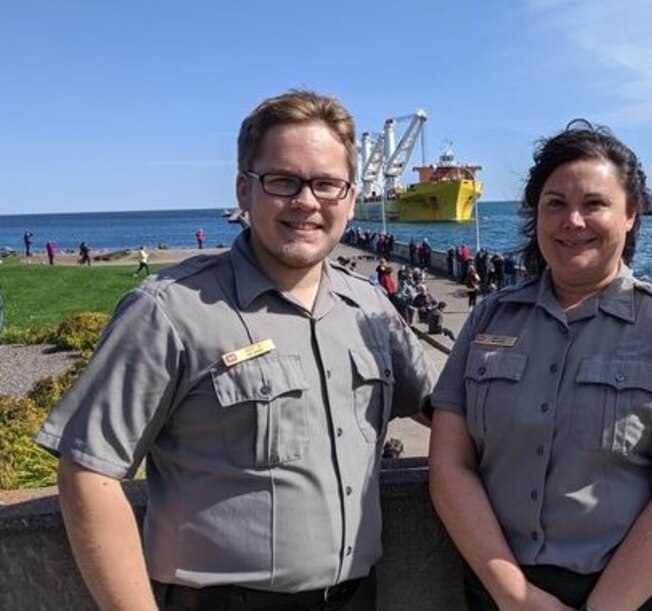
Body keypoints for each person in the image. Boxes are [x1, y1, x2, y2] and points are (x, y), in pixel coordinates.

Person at [35, 89, 435, 611]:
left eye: (326, 184)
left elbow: (446, 409)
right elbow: (88, 470)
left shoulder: (371, 309)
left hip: (358, 594)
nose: (307, 202)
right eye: (283, 181)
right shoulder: (169, 311)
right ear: (244, 191)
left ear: (351, 198)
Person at [428, 121, 652, 611]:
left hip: (637, 593)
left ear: (631, 214)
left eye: (594, 204)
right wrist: (513, 594)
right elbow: (450, 464)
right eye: (555, 204)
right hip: (504, 591)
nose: (572, 221)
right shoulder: (489, 315)